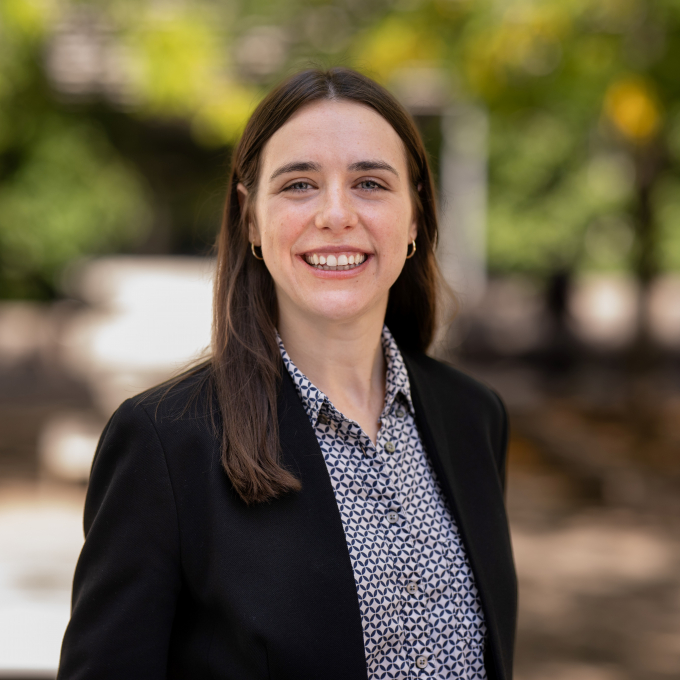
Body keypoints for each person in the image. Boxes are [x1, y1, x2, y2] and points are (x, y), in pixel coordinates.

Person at [57, 67, 516, 680]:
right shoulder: (164, 443)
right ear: (250, 218)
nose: (335, 214)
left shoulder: (473, 417)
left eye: (370, 184)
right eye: (299, 184)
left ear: (414, 218)